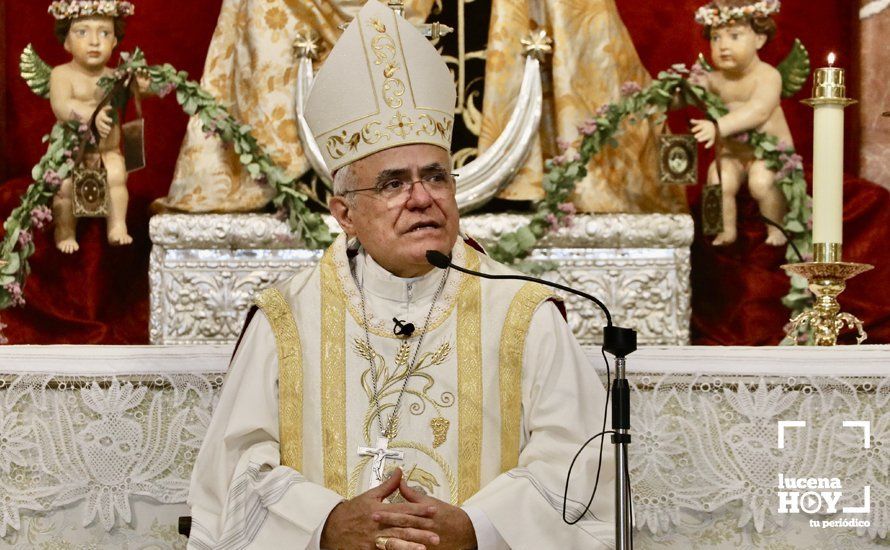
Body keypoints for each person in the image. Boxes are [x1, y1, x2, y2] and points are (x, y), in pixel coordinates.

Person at [187, 2, 614, 549]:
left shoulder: (523, 313)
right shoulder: (287, 320)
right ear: (345, 215)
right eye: (392, 184)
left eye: (435, 176)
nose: (421, 199)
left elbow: (581, 469)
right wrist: (323, 525)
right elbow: (235, 474)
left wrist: (478, 528)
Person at [48, 0, 147, 252]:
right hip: (71, 152)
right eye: (82, 32)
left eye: (104, 33)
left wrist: (144, 85)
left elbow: (144, 92)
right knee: (64, 187)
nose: (94, 41)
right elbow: (61, 105)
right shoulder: (61, 74)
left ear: (114, 42)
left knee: (116, 175)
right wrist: (90, 114)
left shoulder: (115, 76)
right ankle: (66, 231)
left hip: (107, 151)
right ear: (66, 41)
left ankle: (116, 226)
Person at [690, 0, 791, 246]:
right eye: (716, 38)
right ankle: (725, 231)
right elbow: (688, 95)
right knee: (718, 179)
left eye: (735, 36)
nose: (723, 46)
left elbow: (757, 111)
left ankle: (777, 226)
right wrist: (669, 94)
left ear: (759, 39)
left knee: (761, 182)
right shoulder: (714, 79)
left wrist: (718, 127)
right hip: (732, 154)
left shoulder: (768, 75)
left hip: (767, 154)